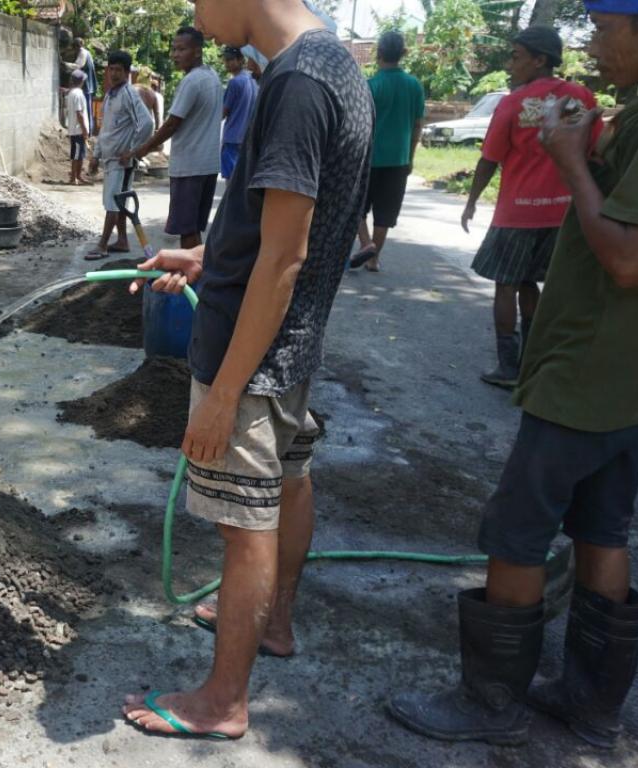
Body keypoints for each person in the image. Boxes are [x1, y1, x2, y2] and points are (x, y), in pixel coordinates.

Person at [389, 2, 638, 749]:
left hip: (589, 364)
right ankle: (590, 704)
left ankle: (491, 703)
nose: (593, 44)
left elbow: (631, 259)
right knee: (601, 526)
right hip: (633, 367)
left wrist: (572, 161)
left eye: (605, 28)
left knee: (516, 527)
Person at [120, 0, 372, 740]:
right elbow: (288, 226)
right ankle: (275, 623)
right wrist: (206, 256)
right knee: (288, 483)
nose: (198, 12)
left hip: (255, 357)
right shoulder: (333, 65)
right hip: (291, 346)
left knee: (244, 524)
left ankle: (223, 700)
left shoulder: (296, 84)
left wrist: (223, 394)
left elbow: (287, 256)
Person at [461, 28, 599, 389]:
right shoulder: (582, 98)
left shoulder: (513, 103)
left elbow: (490, 158)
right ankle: (531, 363)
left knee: (507, 285)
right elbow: (597, 152)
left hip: (516, 214)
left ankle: (509, 367)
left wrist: (472, 201)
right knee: (533, 283)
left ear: (539, 60)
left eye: (517, 56)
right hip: (563, 214)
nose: (511, 64)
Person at [123, 27, 225, 250]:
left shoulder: (192, 81)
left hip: (189, 166)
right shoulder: (213, 77)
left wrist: (143, 148)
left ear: (197, 51)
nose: (175, 55)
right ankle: (197, 279)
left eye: (182, 49)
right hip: (207, 165)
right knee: (194, 228)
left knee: (187, 230)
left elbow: (172, 123)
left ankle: (189, 280)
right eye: (174, 49)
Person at [351, 30, 425, 272]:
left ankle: (366, 244)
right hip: (399, 160)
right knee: (385, 214)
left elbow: (358, 126)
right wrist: (411, 157)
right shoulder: (414, 86)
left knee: (358, 208)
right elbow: (417, 125)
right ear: (403, 53)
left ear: (379, 53)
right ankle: (373, 259)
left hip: (368, 160)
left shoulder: (369, 86)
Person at [88, 50, 152, 260]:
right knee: (119, 201)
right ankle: (122, 240)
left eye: (118, 70)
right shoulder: (110, 95)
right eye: (111, 69)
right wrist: (96, 155)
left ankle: (103, 244)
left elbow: (147, 124)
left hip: (122, 162)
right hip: (110, 159)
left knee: (113, 202)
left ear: (127, 73)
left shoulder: (129, 94)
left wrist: (132, 150)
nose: (114, 73)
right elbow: (105, 129)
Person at [220, 46, 258, 180]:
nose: (227, 63)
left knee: (231, 180)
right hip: (248, 137)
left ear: (241, 60)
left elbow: (223, 113)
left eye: (231, 60)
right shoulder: (254, 80)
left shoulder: (235, 82)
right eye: (226, 60)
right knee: (244, 179)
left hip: (233, 137)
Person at [64, 37, 98, 134]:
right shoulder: (86, 52)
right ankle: (88, 131)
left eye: (75, 47)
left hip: (87, 85)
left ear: (76, 46)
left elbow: (78, 66)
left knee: (86, 110)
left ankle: (88, 132)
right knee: (87, 110)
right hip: (88, 85)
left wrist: (65, 64)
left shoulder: (83, 53)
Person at [65, 70, 91, 185]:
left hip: (75, 129)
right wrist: (85, 130)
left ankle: (78, 176)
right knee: (76, 155)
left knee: (80, 154)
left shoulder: (72, 93)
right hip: (77, 130)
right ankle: (73, 178)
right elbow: (79, 113)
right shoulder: (78, 94)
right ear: (82, 81)